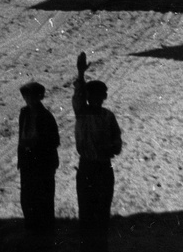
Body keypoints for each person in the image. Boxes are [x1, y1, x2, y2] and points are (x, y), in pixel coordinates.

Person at [73, 52, 122, 252]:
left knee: (101, 214)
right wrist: (80, 73)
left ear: (103, 97)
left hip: (102, 168)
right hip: (87, 167)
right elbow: (77, 95)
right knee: (86, 213)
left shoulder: (108, 116)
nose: (94, 99)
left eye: (98, 96)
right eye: (91, 96)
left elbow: (117, 144)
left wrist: (109, 148)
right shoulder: (81, 112)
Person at [17, 80, 60, 236]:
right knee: (27, 198)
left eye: (32, 96)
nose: (29, 100)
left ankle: (45, 234)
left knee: (43, 199)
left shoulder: (46, 116)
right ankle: (31, 230)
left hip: (43, 163)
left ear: (39, 97)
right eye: (26, 96)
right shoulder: (24, 113)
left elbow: (54, 141)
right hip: (27, 162)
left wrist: (36, 144)